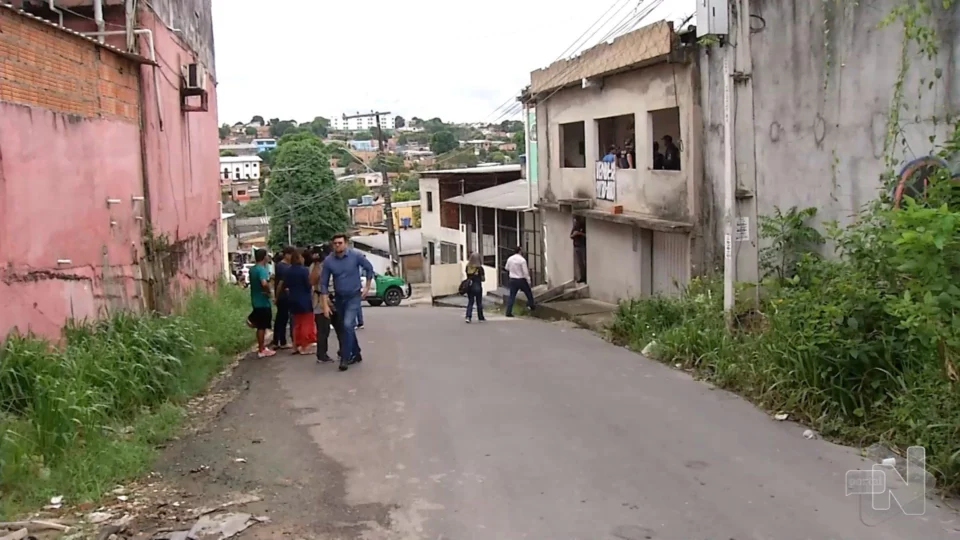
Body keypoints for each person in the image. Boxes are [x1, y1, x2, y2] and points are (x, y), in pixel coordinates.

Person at [320, 233, 374, 372]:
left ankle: (345, 357)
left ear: (346, 243)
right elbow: (324, 284)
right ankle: (356, 353)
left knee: (347, 324)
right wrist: (325, 304)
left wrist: (367, 287)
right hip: (339, 297)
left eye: (340, 243)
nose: (338, 245)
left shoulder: (355, 256)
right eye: (335, 243)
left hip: (354, 296)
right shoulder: (329, 261)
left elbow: (369, 268)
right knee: (346, 327)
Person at [285, 248, 316, 355]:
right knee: (306, 323)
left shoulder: (288, 270)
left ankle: (295, 345)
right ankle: (304, 346)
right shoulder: (303, 270)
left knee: (296, 324)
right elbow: (308, 285)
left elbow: (286, 285)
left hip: (292, 298)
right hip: (304, 299)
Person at [246, 248, 275, 358]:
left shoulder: (252, 269)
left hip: (255, 299)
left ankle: (261, 347)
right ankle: (262, 349)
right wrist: (268, 291)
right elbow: (263, 283)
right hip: (263, 301)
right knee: (262, 326)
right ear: (264, 257)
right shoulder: (262, 269)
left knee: (260, 326)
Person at [270, 246, 294, 350]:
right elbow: (281, 283)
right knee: (283, 319)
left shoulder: (280, 265)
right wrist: (277, 296)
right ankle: (282, 341)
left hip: (282, 296)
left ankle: (276, 340)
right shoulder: (284, 267)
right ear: (287, 254)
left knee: (280, 318)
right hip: (283, 296)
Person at [504, 246, 536, 318]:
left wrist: (512, 271)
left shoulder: (510, 259)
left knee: (512, 296)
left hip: (512, 279)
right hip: (521, 279)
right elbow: (525, 272)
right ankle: (531, 306)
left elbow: (506, 268)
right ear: (520, 251)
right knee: (528, 293)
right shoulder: (522, 260)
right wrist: (528, 280)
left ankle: (508, 311)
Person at [464, 253, 486, 323]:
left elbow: (467, 276)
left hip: (469, 287)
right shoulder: (480, 268)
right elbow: (483, 279)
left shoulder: (468, 267)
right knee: (479, 302)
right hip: (478, 286)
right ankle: (480, 317)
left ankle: (468, 316)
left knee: (470, 302)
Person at [571, 217, 587, 284]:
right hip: (576, 246)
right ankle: (581, 277)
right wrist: (574, 234)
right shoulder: (575, 226)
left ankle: (585, 277)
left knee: (584, 262)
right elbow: (571, 236)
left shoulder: (584, 226)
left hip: (582, 246)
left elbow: (588, 235)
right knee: (579, 263)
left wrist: (580, 233)